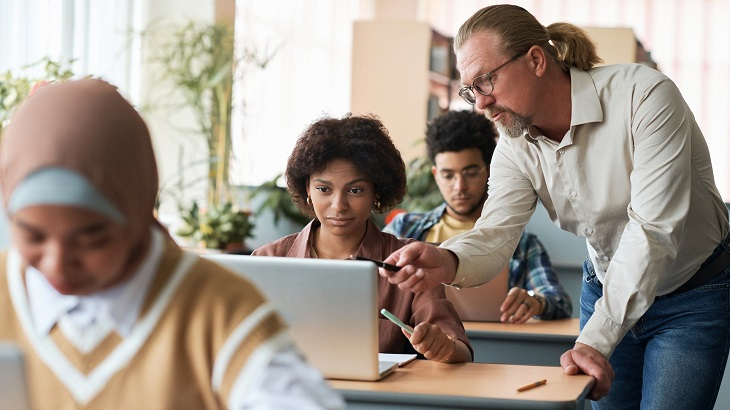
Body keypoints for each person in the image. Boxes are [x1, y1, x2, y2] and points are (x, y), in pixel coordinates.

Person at [378, 4, 730, 409]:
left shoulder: (643, 95)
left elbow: (652, 230)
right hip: (603, 290)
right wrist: (448, 259)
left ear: (536, 60)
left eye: (486, 80)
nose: (480, 103)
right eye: (470, 89)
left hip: (690, 294)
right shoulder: (514, 145)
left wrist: (595, 339)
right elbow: (495, 236)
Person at [0, 79, 344, 409]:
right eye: (32, 235)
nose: (56, 264)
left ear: (135, 209)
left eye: (92, 238)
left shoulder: (214, 308)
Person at [252, 113, 473, 363]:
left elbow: (460, 350)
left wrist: (444, 348)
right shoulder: (267, 260)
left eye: (355, 190)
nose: (339, 205)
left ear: (376, 192)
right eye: (324, 189)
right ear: (307, 190)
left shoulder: (408, 264)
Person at [383, 109, 572, 323]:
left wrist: (534, 300)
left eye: (470, 173)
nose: (459, 187)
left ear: (490, 170)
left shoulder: (521, 243)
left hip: (492, 345)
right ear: (436, 175)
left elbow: (559, 301)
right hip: (417, 343)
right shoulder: (403, 229)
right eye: (448, 175)